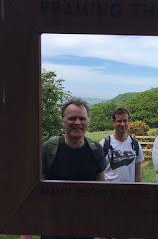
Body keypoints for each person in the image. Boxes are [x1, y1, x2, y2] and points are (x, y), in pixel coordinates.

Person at [22, 98, 106, 239]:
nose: (78, 123)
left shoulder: (96, 150)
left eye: (82, 119)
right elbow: (32, 193)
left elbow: (101, 191)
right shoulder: (48, 149)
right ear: (63, 121)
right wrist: (26, 234)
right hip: (53, 228)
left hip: (86, 227)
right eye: (72, 118)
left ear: (88, 122)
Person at [99, 108, 144, 182]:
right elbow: (98, 173)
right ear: (113, 122)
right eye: (119, 121)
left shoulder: (135, 145)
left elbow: (138, 176)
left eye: (125, 121)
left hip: (130, 192)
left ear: (129, 122)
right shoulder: (104, 144)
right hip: (109, 191)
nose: (122, 124)